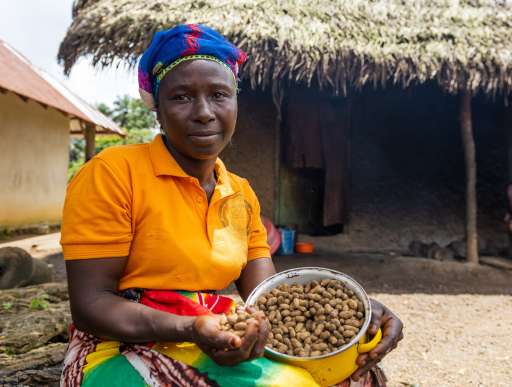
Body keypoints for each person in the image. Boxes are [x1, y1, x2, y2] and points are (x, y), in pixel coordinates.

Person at [60, 24, 403, 387]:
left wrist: (360, 309)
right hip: (116, 350)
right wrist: (190, 328)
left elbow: (272, 299)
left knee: (361, 377)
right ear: (157, 108)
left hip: (207, 336)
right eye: (181, 97)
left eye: (219, 94)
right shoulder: (112, 174)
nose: (204, 112)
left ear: (236, 103)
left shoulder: (240, 193)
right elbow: (91, 304)